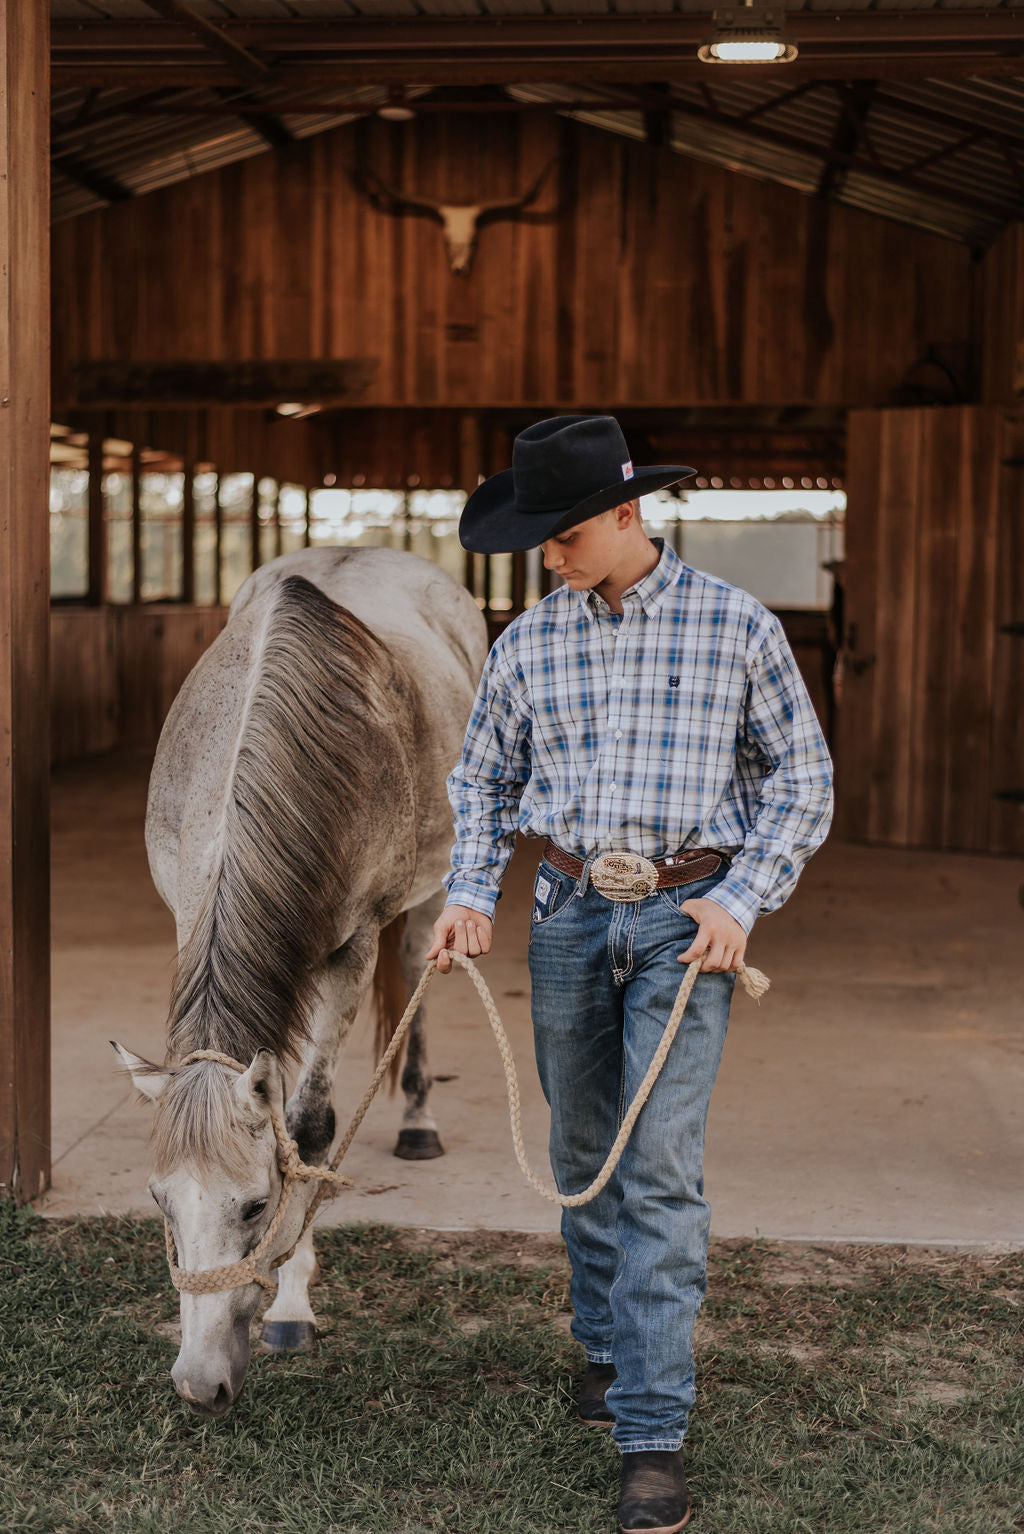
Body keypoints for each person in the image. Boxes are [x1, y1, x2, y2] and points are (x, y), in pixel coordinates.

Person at [427, 415, 834, 1534]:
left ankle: (652, 1430)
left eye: (560, 534)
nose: (546, 555)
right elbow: (484, 778)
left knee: (654, 1165)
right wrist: (470, 892)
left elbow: (801, 779)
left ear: (623, 513)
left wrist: (736, 897)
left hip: (681, 923)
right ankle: (606, 1348)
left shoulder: (734, 627)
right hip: (564, 916)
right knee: (578, 1149)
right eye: (537, 540)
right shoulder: (526, 644)